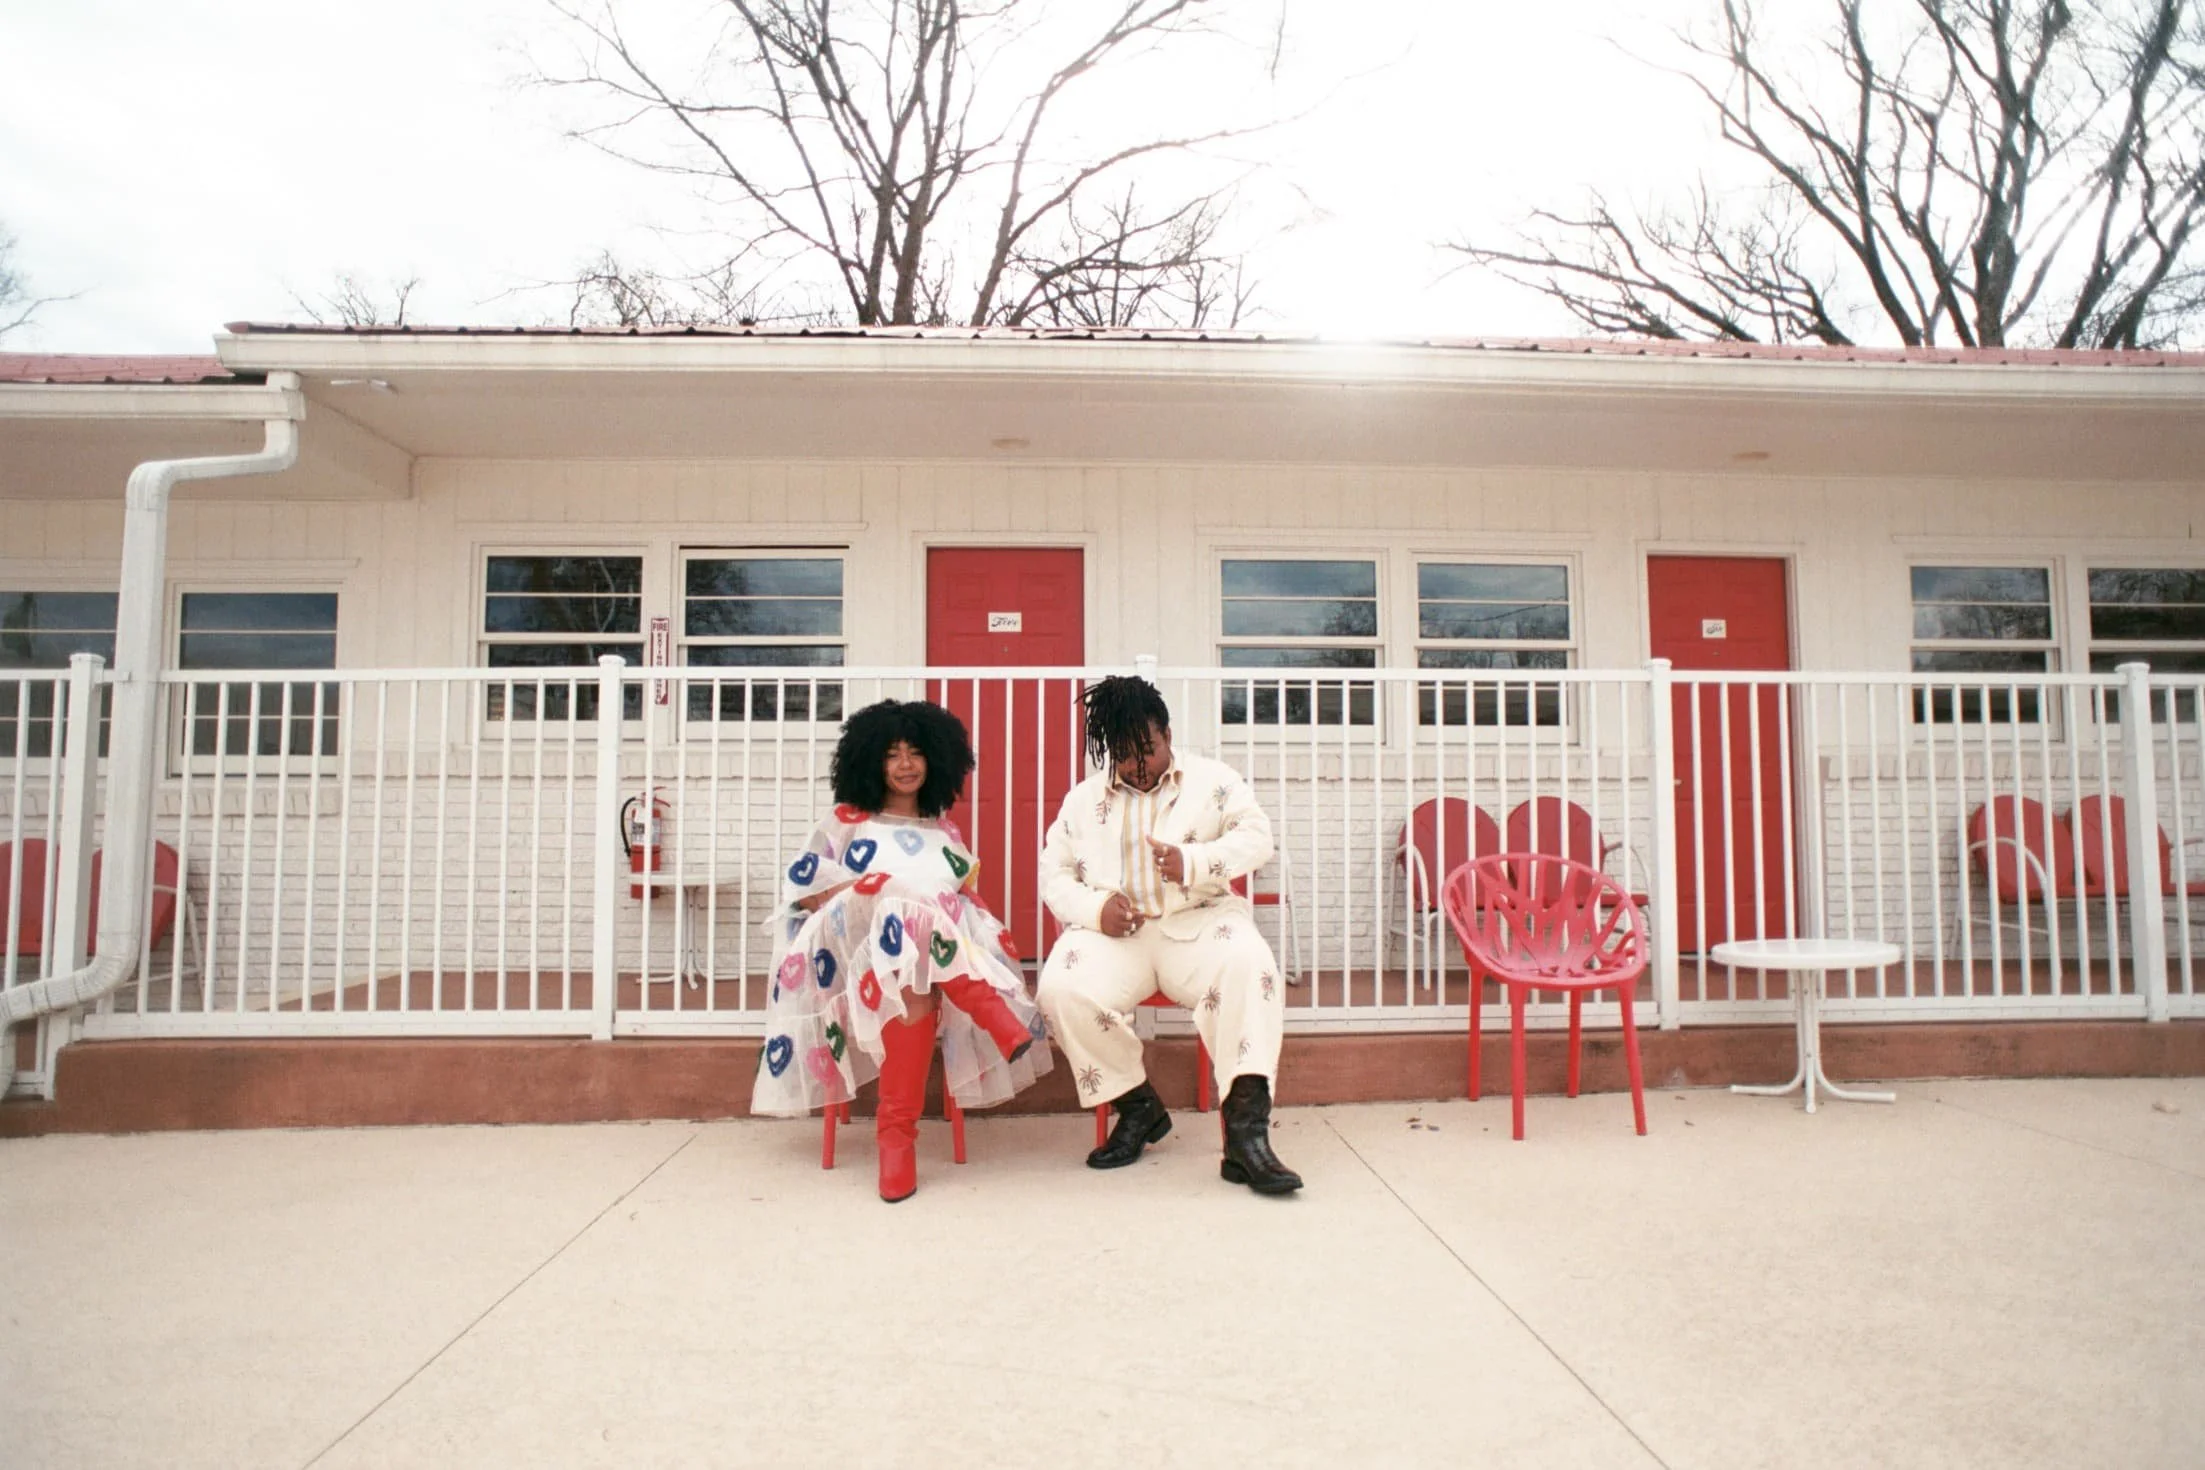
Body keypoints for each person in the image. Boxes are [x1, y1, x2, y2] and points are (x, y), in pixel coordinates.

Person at [751, 699, 1052, 1202]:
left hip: (919, 973)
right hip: (850, 959)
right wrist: (866, 891)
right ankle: (988, 1009)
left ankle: (897, 1140)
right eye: (892, 755)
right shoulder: (848, 821)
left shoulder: (944, 833)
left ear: (937, 760)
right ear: (871, 760)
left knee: (913, 984)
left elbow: (963, 905)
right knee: (894, 902)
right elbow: (800, 891)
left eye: (916, 753)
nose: (906, 765)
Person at [1035, 676, 1302, 1195]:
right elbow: (1055, 873)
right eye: (1124, 754)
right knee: (1059, 990)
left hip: (1200, 920)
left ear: (1168, 735)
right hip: (1116, 937)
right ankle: (1138, 1109)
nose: (1138, 764)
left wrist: (1195, 861)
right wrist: (1096, 908)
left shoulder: (1213, 780)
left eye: (1148, 749)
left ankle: (1246, 1141)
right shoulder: (1082, 800)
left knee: (1250, 963)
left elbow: (1257, 836)